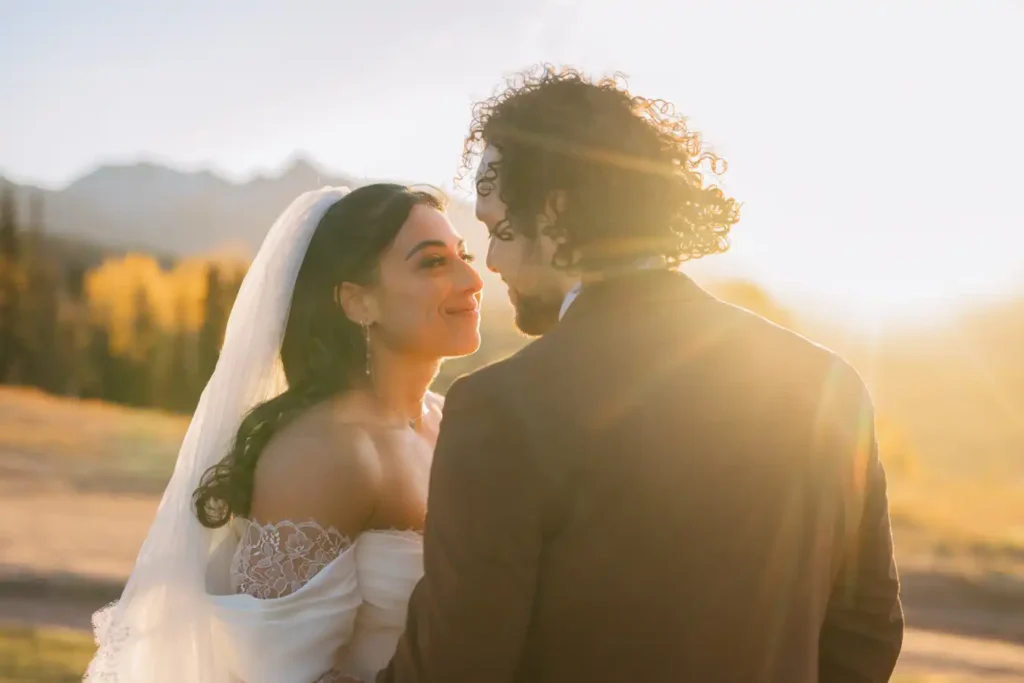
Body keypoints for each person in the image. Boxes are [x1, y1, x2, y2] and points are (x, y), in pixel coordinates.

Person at [376, 67, 904, 682]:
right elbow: (868, 631)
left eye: (496, 228)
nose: (490, 262)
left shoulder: (501, 407)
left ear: (555, 212)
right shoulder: (827, 383)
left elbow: (456, 668)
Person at [84, 183, 483, 683]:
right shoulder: (325, 453)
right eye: (432, 263)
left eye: (463, 255)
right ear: (358, 302)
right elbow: (271, 675)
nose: (472, 279)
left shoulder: (449, 420)